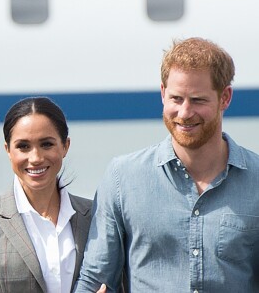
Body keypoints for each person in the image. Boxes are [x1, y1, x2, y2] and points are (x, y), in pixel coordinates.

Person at [73, 37, 259, 292]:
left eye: (198, 100)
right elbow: (95, 280)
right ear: (162, 93)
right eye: (176, 98)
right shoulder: (122, 179)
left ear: (225, 98)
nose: (184, 112)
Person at [0, 97, 106, 293]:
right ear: (8, 150)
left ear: (65, 146)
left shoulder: (98, 217)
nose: (35, 158)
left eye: (46, 144)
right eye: (23, 146)